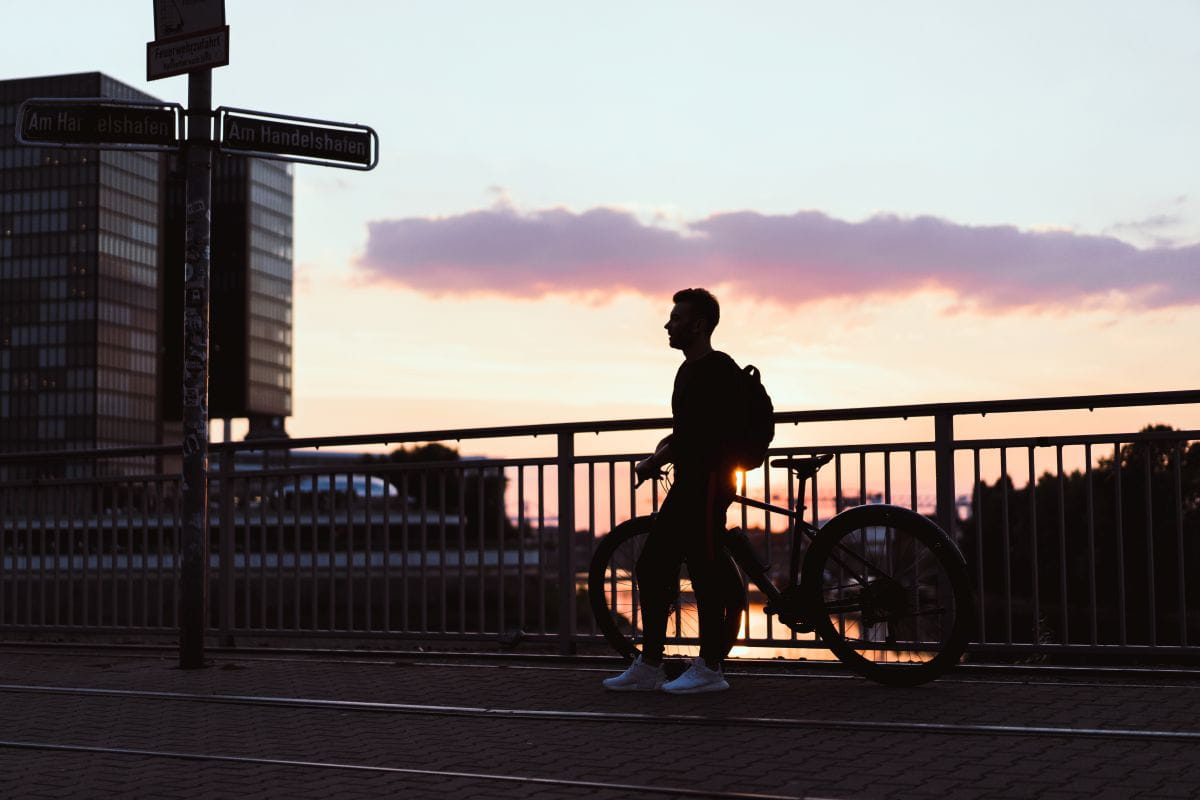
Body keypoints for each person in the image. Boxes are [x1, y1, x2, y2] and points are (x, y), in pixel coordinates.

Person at [603, 287, 747, 694]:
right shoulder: (687, 372)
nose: (668, 324)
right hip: (690, 482)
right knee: (653, 566)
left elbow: (701, 435)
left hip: (710, 483)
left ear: (700, 325)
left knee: (704, 571)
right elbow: (685, 433)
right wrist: (662, 453)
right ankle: (650, 663)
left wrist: (655, 462)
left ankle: (711, 668)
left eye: (677, 318)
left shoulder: (718, 370)